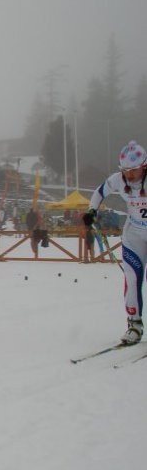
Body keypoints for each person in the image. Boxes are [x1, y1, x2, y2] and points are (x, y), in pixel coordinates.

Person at [84, 141, 147, 344]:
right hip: (134, 234)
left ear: (143, 166)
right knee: (132, 277)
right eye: (125, 170)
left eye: (133, 170)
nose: (129, 175)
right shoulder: (118, 180)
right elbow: (99, 192)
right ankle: (134, 324)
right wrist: (91, 211)